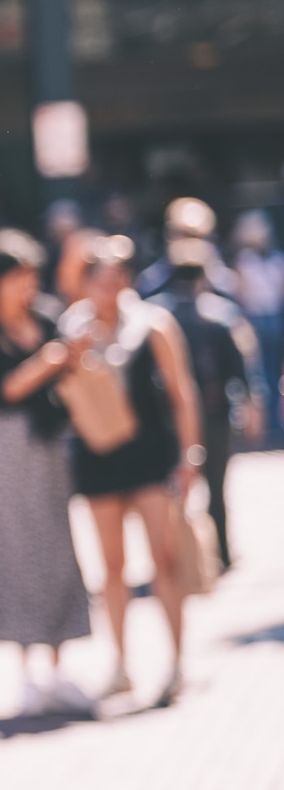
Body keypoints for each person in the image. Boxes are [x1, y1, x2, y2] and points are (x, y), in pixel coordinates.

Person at [0, 232, 93, 709]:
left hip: (49, 443)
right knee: (13, 547)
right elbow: (0, 391)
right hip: (5, 446)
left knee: (57, 545)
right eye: (17, 277)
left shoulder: (47, 317)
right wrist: (50, 361)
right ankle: (28, 669)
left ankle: (57, 664)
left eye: (31, 277)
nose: (27, 287)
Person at [60, 236, 204, 705]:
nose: (108, 288)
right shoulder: (73, 329)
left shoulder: (153, 325)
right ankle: (121, 665)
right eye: (99, 279)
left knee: (163, 559)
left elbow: (182, 395)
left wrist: (190, 455)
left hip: (149, 456)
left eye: (116, 278)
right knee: (112, 567)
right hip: (99, 459)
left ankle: (178, 662)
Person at [160, 236, 258, 574]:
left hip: (170, 419)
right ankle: (224, 555)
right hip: (215, 414)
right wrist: (249, 405)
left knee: (173, 489)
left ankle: (174, 556)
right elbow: (241, 371)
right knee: (217, 487)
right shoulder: (222, 315)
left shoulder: (159, 316)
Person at [233, 213, 284, 444]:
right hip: (260, 320)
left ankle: (270, 426)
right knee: (261, 374)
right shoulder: (250, 261)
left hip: (267, 320)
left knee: (267, 373)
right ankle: (264, 427)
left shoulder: (272, 260)